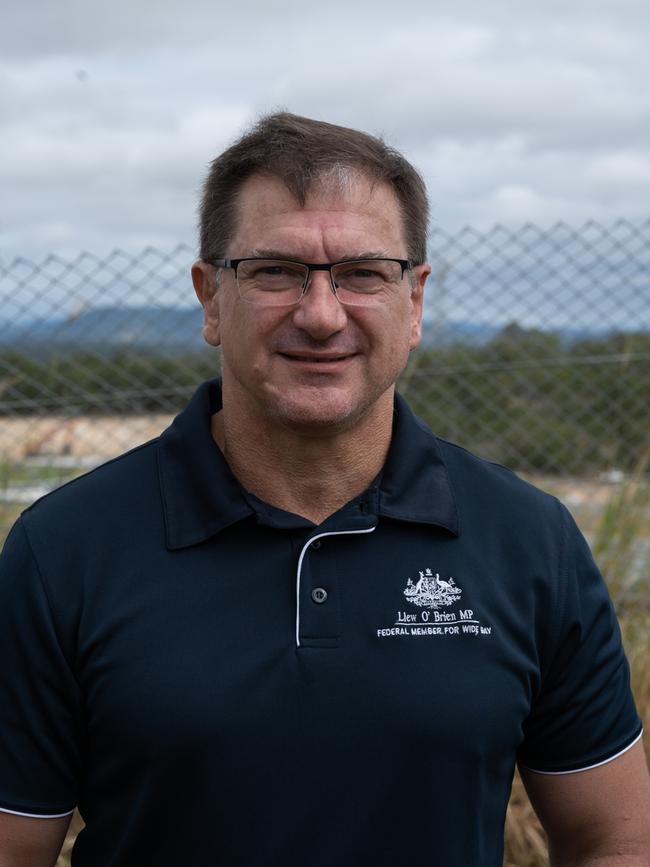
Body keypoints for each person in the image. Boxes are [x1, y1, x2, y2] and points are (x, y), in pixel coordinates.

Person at [0, 113, 648, 867]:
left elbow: (617, 839)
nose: (319, 313)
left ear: (416, 301)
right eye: (274, 270)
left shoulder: (531, 543)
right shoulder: (63, 553)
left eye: (362, 273)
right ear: (211, 298)